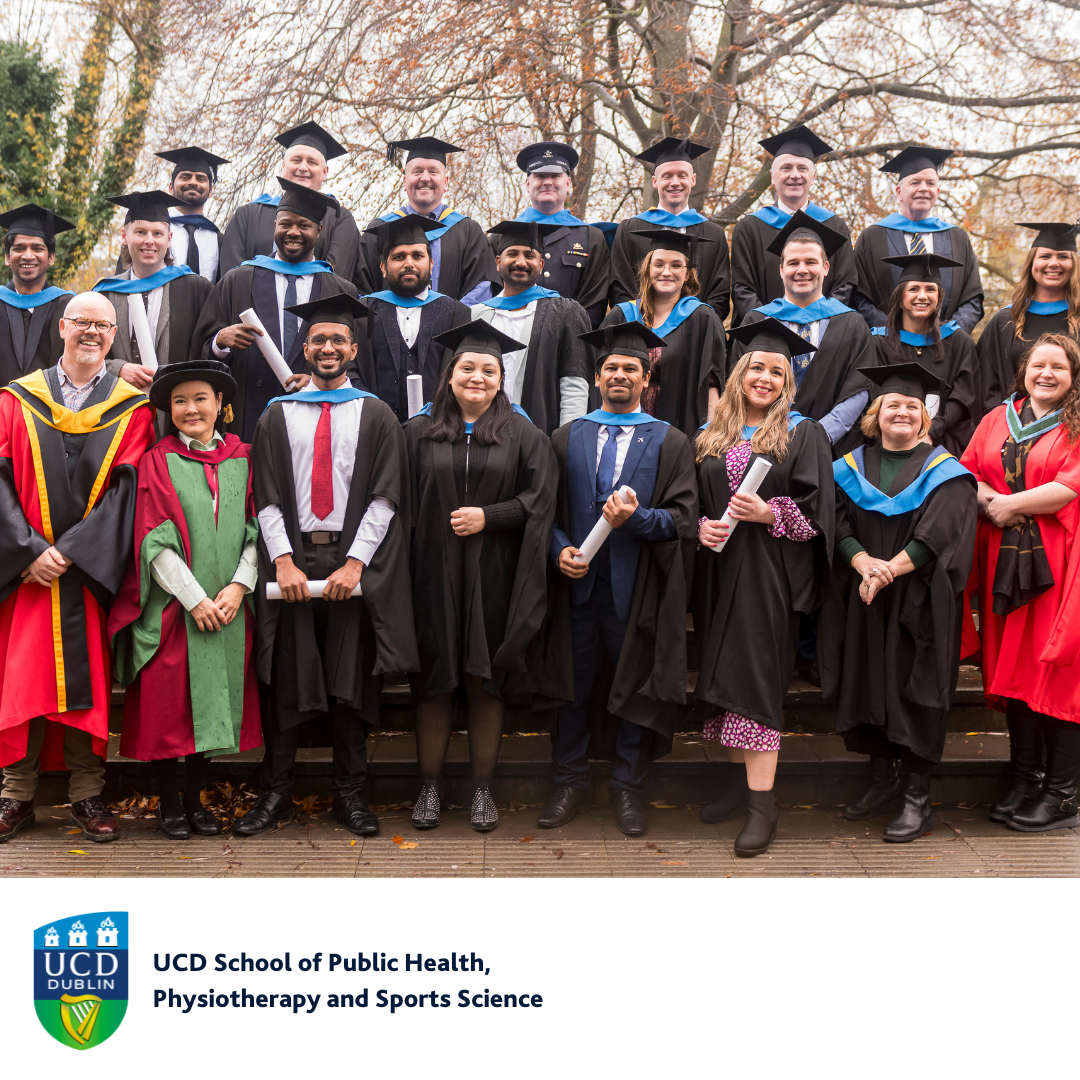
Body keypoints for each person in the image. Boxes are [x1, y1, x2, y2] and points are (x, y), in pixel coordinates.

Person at [245, 292, 417, 837]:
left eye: (338, 339)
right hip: (292, 556)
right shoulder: (277, 414)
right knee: (285, 674)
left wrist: (356, 564)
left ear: (353, 349)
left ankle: (351, 794)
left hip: (352, 557)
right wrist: (283, 561)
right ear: (304, 347)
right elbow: (266, 496)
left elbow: (386, 497)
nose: (327, 347)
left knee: (352, 679)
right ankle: (275, 791)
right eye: (318, 339)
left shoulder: (378, 414)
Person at [0, 292, 153, 843]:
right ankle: (16, 795)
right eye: (82, 322)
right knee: (24, 676)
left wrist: (72, 552)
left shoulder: (131, 408)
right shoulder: (17, 399)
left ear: (114, 336)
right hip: (27, 572)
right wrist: (26, 551)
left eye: (102, 325)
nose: (91, 332)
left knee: (86, 679)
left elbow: (127, 489)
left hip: (86, 572)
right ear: (62, 327)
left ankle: (88, 794)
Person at [539, 322, 697, 836]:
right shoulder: (566, 437)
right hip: (577, 587)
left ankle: (627, 787)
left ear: (646, 379)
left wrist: (637, 520)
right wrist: (559, 549)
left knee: (634, 687)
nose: (620, 375)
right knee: (571, 687)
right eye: (611, 368)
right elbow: (546, 512)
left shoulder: (670, 440)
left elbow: (682, 519)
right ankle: (569, 781)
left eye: (631, 368)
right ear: (597, 377)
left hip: (637, 589)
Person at [405, 320, 557, 831]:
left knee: (483, 678)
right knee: (434, 679)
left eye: (489, 370)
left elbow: (540, 502)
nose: (478, 377)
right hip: (431, 573)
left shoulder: (523, 434)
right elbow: (398, 502)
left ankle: (482, 791)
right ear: (449, 375)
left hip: (495, 573)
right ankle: (428, 787)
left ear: (501, 379)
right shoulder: (417, 432)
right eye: (468, 367)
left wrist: (488, 517)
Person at [693, 319, 834, 855]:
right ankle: (736, 787)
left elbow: (819, 512)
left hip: (768, 574)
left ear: (788, 382)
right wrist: (700, 526)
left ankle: (762, 806)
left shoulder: (803, 433)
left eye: (777, 371)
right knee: (724, 676)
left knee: (755, 681)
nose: (765, 378)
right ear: (740, 373)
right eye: (757, 367)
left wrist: (769, 511)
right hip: (717, 571)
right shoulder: (712, 434)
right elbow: (693, 499)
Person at [820, 363, 976, 841]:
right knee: (868, 678)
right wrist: (862, 561)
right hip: (864, 590)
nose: (902, 412)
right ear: (876, 413)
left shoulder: (945, 471)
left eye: (912, 406)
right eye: (893, 405)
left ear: (924, 418)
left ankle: (916, 796)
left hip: (920, 597)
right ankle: (883, 780)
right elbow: (834, 523)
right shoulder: (848, 467)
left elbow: (941, 532)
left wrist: (888, 570)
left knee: (915, 686)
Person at [108, 359, 260, 839]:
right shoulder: (157, 460)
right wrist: (195, 599)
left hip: (229, 604)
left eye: (200, 399)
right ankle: (170, 803)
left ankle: (196, 799)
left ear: (220, 404)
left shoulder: (244, 457)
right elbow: (152, 537)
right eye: (179, 401)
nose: (191, 409)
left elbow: (258, 526)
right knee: (169, 704)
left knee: (213, 702)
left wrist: (239, 585)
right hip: (173, 606)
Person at [961, 334, 1080, 832]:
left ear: (1074, 376)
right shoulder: (997, 418)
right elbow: (967, 474)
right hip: (1003, 560)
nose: (1046, 374)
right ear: (1024, 371)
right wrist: (994, 503)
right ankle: (1026, 779)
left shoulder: (1076, 423)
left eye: (1059, 367)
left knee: (1054, 668)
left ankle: (1064, 792)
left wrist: (1009, 504)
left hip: (1057, 561)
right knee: (1013, 666)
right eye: (1038, 365)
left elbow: (1071, 485)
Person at [192, 178, 360, 442]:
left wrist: (322, 380)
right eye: (285, 224)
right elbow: (199, 351)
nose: (293, 232)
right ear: (275, 226)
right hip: (247, 421)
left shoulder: (340, 290)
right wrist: (219, 343)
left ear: (319, 230)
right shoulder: (238, 280)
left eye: (303, 225)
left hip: (315, 420)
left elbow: (356, 364)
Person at [729, 211, 876, 457]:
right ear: (781, 269)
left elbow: (859, 391)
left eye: (810, 262)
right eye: (793, 263)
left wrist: (818, 436)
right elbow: (738, 385)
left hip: (831, 451)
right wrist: (765, 434)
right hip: (760, 445)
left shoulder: (852, 324)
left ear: (826, 267)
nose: (802, 270)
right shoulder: (757, 320)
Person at [601, 228, 726, 440]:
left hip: (680, 433)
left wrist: (711, 436)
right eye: (658, 264)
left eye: (676, 265)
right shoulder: (621, 316)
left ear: (688, 274)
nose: (666, 272)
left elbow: (712, 385)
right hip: (622, 433)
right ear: (648, 269)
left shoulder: (703, 319)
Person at [470, 219, 591, 435]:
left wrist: (566, 439)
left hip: (540, 434)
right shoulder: (478, 315)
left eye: (529, 255)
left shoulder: (565, 312)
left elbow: (574, 384)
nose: (521, 262)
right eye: (512, 254)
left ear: (541, 265)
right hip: (484, 432)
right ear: (498, 262)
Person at [730, 125, 857, 324]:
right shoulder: (749, 228)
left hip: (824, 332)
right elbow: (742, 289)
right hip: (765, 333)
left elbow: (845, 285)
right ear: (773, 177)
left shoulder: (835, 225)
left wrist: (820, 327)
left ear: (813, 177)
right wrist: (772, 327)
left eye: (802, 168)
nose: (795, 175)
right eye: (786, 168)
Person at [854, 146, 984, 333]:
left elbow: (972, 297)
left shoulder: (957, 238)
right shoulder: (872, 238)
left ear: (937, 191)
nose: (923, 188)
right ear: (899, 192)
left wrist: (949, 334)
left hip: (947, 345)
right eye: (915, 182)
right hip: (886, 344)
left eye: (930, 183)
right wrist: (891, 334)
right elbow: (858, 296)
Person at [356, 137, 498, 305]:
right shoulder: (378, 230)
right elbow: (362, 289)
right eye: (417, 171)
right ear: (405, 182)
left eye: (433, 171)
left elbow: (482, 288)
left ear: (445, 182)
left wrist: (452, 316)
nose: (425, 178)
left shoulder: (468, 232)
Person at [94, 190, 212, 391]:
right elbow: (87, 353)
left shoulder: (196, 289)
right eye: (140, 232)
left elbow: (208, 351)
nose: (149, 240)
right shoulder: (105, 295)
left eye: (157, 233)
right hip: (120, 404)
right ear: (124, 236)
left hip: (177, 403)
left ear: (169, 238)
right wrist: (118, 369)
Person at [358, 213, 471, 421]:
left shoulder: (456, 313)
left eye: (417, 256)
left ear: (431, 264)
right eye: (399, 257)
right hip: (376, 426)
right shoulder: (363, 311)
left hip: (440, 428)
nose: (409, 263)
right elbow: (352, 371)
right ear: (383, 267)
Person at [219, 122, 360, 280]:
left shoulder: (340, 219)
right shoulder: (247, 216)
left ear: (325, 172)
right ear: (284, 165)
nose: (303, 168)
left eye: (312, 162)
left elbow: (337, 281)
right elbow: (232, 280)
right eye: (296, 160)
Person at [870, 253, 980, 455]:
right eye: (913, 289)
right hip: (888, 445)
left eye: (930, 289)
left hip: (944, 445)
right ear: (900, 298)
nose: (922, 296)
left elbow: (964, 397)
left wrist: (931, 431)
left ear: (939, 298)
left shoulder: (958, 341)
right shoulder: (879, 343)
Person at [609, 137, 730, 320]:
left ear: (693, 179)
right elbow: (620, 290)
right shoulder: (629, 230)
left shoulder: (714, 234)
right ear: (655, 181)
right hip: (641, 330)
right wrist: (647, 326)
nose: (675, 182)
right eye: (667, 176)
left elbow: (720, 295)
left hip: (698, 331)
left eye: (682, 175)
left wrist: (697, 326)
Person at [978, 223, 1080, 415]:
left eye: (1063, 256)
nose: (1054, 263)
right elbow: (985, 385)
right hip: (1012, 426)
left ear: (1074, 264)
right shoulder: (1006, 321)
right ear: (1032, 262)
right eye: (1045, 256)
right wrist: (1002, 423)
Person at [513, 141, 612, 328]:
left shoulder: (592, 238)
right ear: (527, 184)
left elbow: (594, 303)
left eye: (555, 176)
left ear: (568, 184)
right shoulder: (504, 234)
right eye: (540, 176)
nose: (547, 182)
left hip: (572, 339)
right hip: (513, 336)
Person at [0, 203, 75, 385]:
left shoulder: (68, 307)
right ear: (7, 257)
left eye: (37, 248)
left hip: (52, 403)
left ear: (51, 257)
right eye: (19, 248)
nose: (28, 255)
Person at [155, 146, 231, 284]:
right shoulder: (154, 232)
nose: (193, 182)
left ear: (210, 191)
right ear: (170, 187)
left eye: (201, 179)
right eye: (185, 177)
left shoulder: (219, 240)